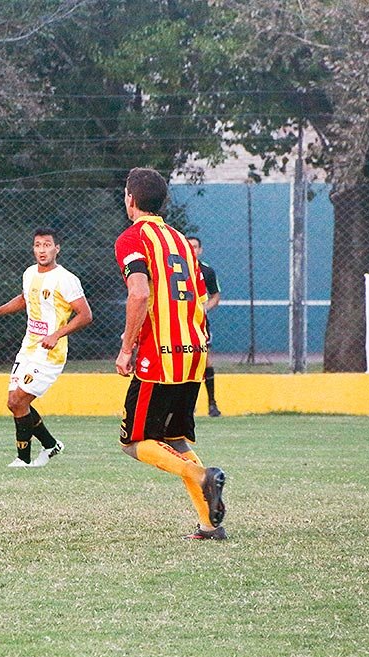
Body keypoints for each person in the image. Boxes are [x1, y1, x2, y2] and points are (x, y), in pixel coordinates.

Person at [114, 167, 228, 540]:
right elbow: (198, 297)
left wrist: (127, 348)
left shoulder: (132, 237)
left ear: (131, 199)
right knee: (175, 440)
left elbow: (139, 293)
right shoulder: (180, 240)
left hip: (159, 355)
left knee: (134, 442)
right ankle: (210, 525)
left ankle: (202, 475)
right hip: (192, 351)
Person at [0, 228, 93, 468]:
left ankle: (23, 459)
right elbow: (25, 299)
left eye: (47, 245)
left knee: (19, 399)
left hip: (50, 353)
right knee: (14, 402)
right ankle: (51, 445)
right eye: (38, 245)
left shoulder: (66, 279)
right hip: (28, 348)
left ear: (57, 248)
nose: (42, 250)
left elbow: (85, 315)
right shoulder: (29, 273)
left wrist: (57, 334)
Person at [187, 236, 222, 417]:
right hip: (179, 322)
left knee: (204, 359)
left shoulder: (207, 271)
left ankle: (212, 404)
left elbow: (215, 296)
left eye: (195, 247)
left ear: (200, 250)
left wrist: (204, 309)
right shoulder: (174, 268)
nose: (192, 250)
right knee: (183, 360)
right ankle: (186, 405)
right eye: (188, 246)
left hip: (199, 322)